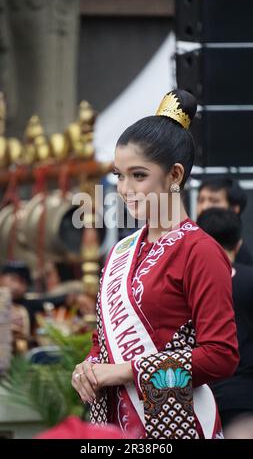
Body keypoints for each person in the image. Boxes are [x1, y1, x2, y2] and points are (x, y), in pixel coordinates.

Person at [72, 89, 239, 439]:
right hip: (116, 428)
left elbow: (221, 357)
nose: (124, 188)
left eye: (138, 175)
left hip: (179, 426)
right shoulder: (122, 251)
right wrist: (88, 367)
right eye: (119, 175)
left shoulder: (200, 251)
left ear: (174, 176)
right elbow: (102, 341)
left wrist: (125, 372)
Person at [197, 208, 253, 432]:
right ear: (238, 244)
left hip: (203, 394)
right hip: (245, 396)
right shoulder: (250, 279)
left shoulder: (192, 282)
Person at [196, 178, 253, 266]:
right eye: (201, 200)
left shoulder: (243, 257)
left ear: (234, 209)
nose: (204, 207)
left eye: (214, 201)